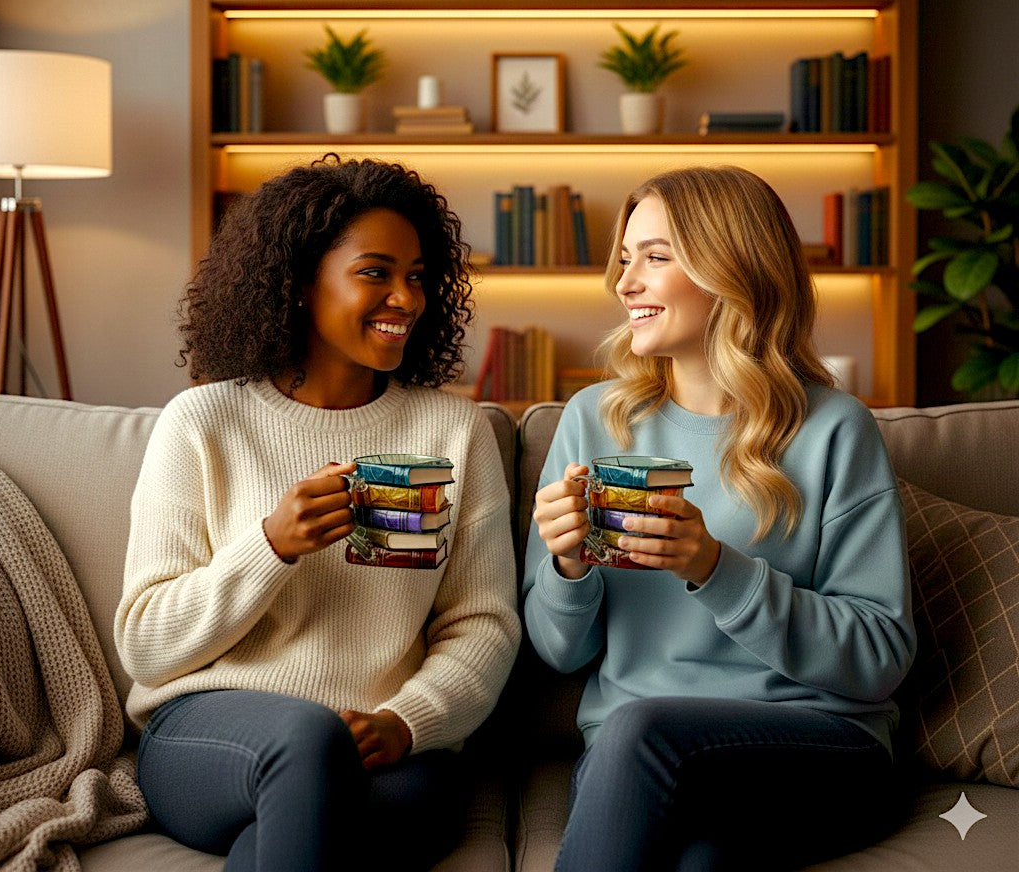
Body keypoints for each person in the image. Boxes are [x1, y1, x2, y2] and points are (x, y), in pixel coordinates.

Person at [114, 155, 521, 872]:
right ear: (300, 283)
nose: (407, 297)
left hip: (393, 755)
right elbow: (147, 645)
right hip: (211, 736)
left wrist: (407, 719)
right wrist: (269, 546)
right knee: (306, 743)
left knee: (284, 841)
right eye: (376, 272)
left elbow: (481, 624)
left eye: (419, 276)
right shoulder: (202, 423)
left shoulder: (452, 433)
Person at [522, 165, 916, 872]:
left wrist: (713, 567)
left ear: (732, 268)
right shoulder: (593, 421)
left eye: (655, 257)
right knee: (696, 855)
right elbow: (560, 652)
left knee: (640, 727)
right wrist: (568, 566)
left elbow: (879, 658)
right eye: (624, 259)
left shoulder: (834, 431)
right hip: (636, 761)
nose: (625, 284)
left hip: (815, 745)